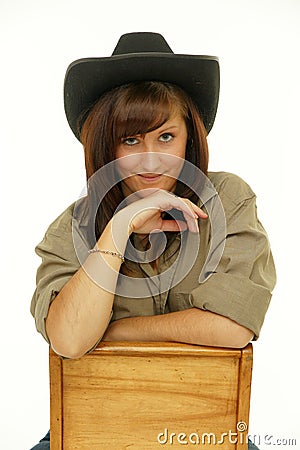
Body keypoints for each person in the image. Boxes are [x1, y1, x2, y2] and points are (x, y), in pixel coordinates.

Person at [30, 32, 276, 450]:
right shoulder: (70, 227)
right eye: (131, 140)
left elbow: (233, 327)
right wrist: (119, 226)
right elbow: (69, 339)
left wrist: (114, 332)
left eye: (166, 137)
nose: (150, 160)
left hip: (203, 428)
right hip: (95, 425)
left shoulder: (228, 199)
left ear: (190, 138)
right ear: (105, 146)